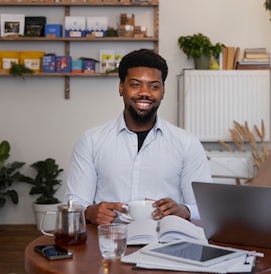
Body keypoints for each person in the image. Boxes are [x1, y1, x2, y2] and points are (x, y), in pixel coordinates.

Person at [65, 48, 212, 225]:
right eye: (135, 84)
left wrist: (184, 210)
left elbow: (205, 207)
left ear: (163, 91)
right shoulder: (91, 141)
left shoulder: (187, 143)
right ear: (121, 87)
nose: (145, 92)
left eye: (154, 86)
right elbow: (75, 203)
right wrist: (90, 212)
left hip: (165, 244)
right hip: (107, 243)